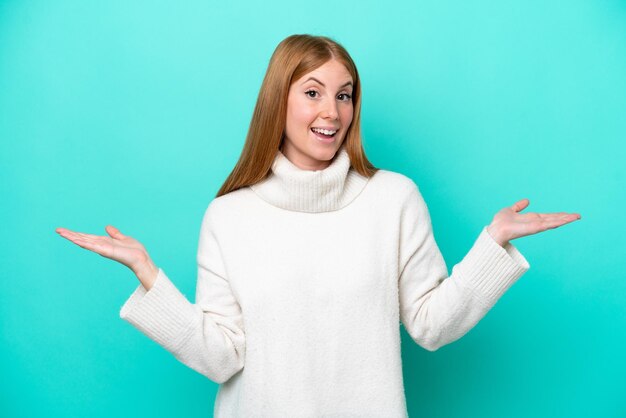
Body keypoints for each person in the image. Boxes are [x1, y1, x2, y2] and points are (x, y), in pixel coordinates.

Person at [56, 34, 581, 417]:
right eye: (312, 92)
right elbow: (222, 358)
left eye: (344, 94)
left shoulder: (393, 199)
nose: (331, 111)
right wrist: (149, 275)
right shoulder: (230, 215)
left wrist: (493, 245)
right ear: (277, 100)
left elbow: (431, 324)